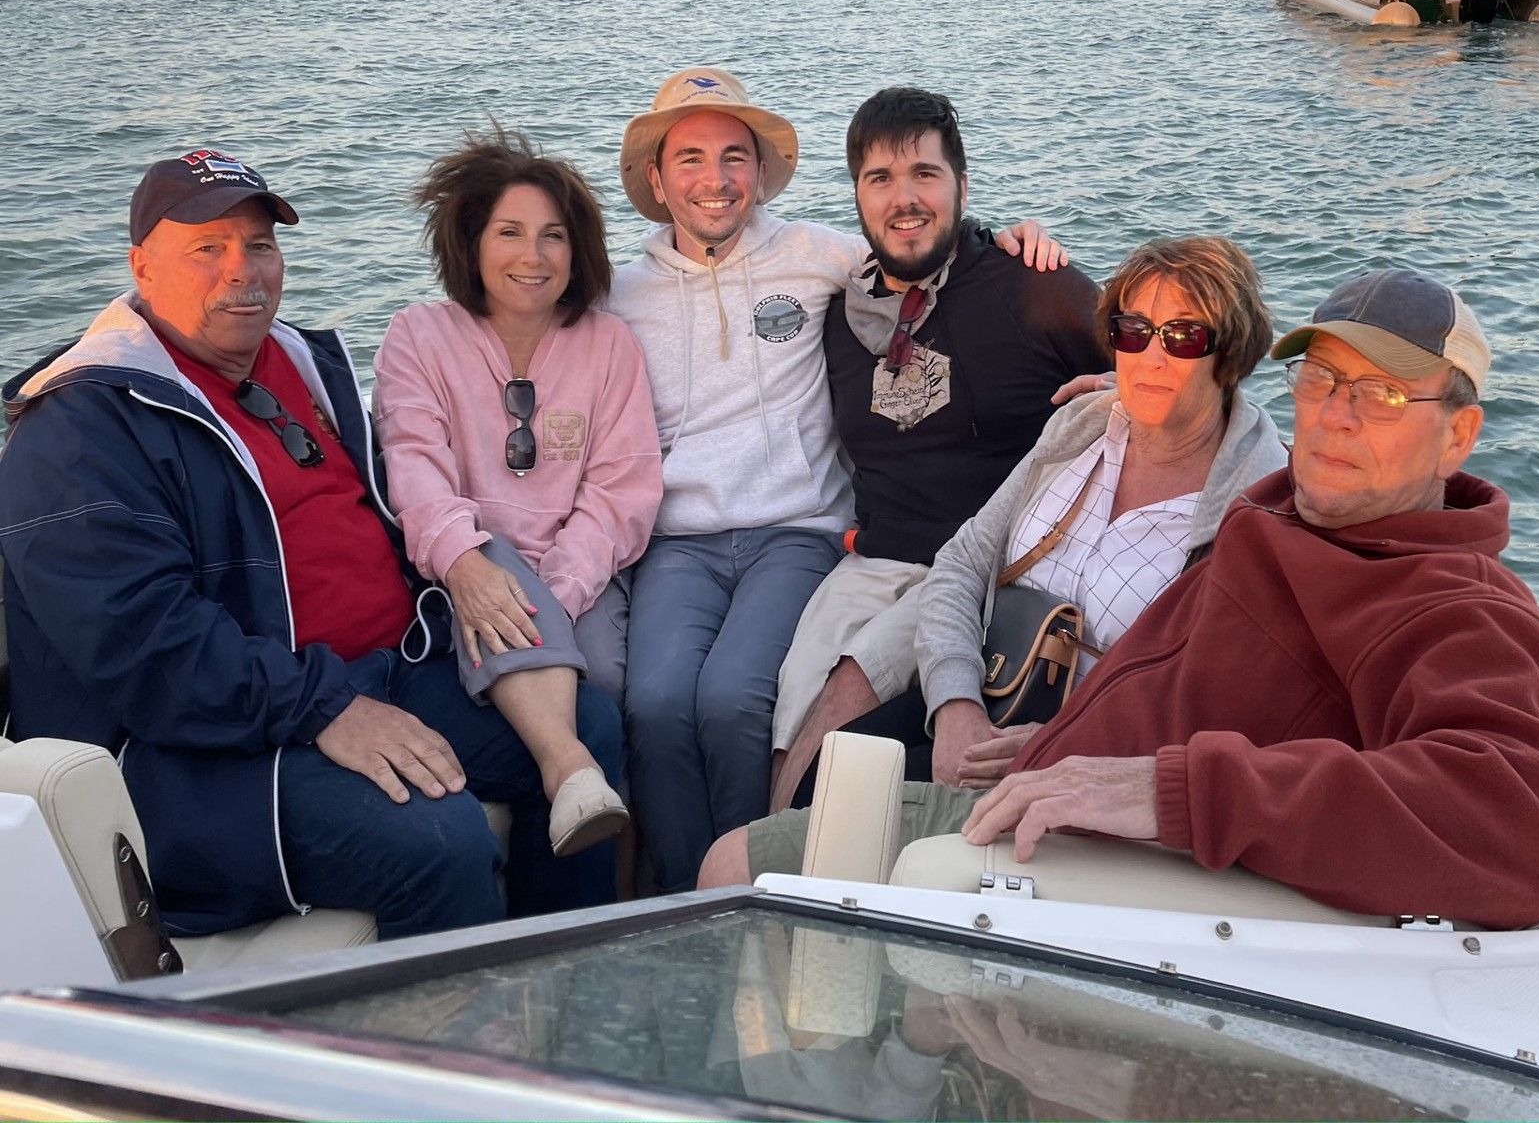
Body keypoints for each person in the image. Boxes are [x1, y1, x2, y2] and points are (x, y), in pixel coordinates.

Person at [704, 268, 1539, 931]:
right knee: (742, 848)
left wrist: (1174, 793)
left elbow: (1527, 825)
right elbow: (987, 565)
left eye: (1383, 395)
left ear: (1459, 437)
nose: (1337, 417)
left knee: (736, 871)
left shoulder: (1448, 601)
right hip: (1035, 776)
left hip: (1083, 857)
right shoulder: (1279, 514)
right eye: (1320, 381)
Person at [0, 150, 624, 941]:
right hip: (203, 752)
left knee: (590, 731)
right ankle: (437, 1055)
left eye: (259, 245)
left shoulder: (293, 366)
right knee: (437, 840)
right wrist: (323, 707)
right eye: (208, 248)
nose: (244, 271)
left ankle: (566, 986)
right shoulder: (82, 427)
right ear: (141, 267)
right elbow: (145, 646)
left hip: (374, 671)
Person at [586, 68, 1061, 893]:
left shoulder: (817, 258)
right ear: (657, 180)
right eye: (690, 159)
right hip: (677, 543)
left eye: (735, 157)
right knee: (657, 704)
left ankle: (748, 888)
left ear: (761, 173)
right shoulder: (619, 296)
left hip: (796, 532)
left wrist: (1012, 239)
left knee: (736, 699)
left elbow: (918, 250)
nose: (715, 179)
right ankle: (676, 897)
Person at [767, 88, 1107, 809]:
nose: (904, 198)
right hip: (872, 558)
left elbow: (1150, 371)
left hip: (982, 568)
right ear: (857, 195)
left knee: (842, 698)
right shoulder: (841, 312)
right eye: (880, 179)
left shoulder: (1031, 290)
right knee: (784, 718)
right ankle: (765, 875)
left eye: (925, 174)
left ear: (962, 186)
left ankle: (764, 879)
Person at [373, 128, 662, 857]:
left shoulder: (608, 344)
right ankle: (570, 780)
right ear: (471, 242)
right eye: (510, 233)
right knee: (553, 689)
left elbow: (621, 491)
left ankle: (615, 874)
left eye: (553, 237)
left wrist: (551, 598)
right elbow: (414, 467)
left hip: (578, 576)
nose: (532, 258)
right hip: (460, 567)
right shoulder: (418, 336)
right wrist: (468, 566)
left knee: (610, 683)